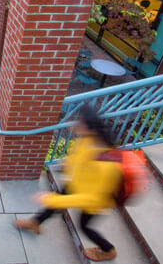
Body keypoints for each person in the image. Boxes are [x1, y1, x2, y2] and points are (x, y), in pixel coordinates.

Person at [13, 106, 122, 262]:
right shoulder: (87, 139)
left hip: (95, 201)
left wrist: (53, 199)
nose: (76, 125)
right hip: (78, 184)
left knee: (84, 226)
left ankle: (109, 250)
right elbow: (77, 157)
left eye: (80, 123)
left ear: (90, 129)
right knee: (55, 204)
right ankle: (35, 223)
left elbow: (90, 198)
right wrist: (67, 165)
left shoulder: (106, 164)